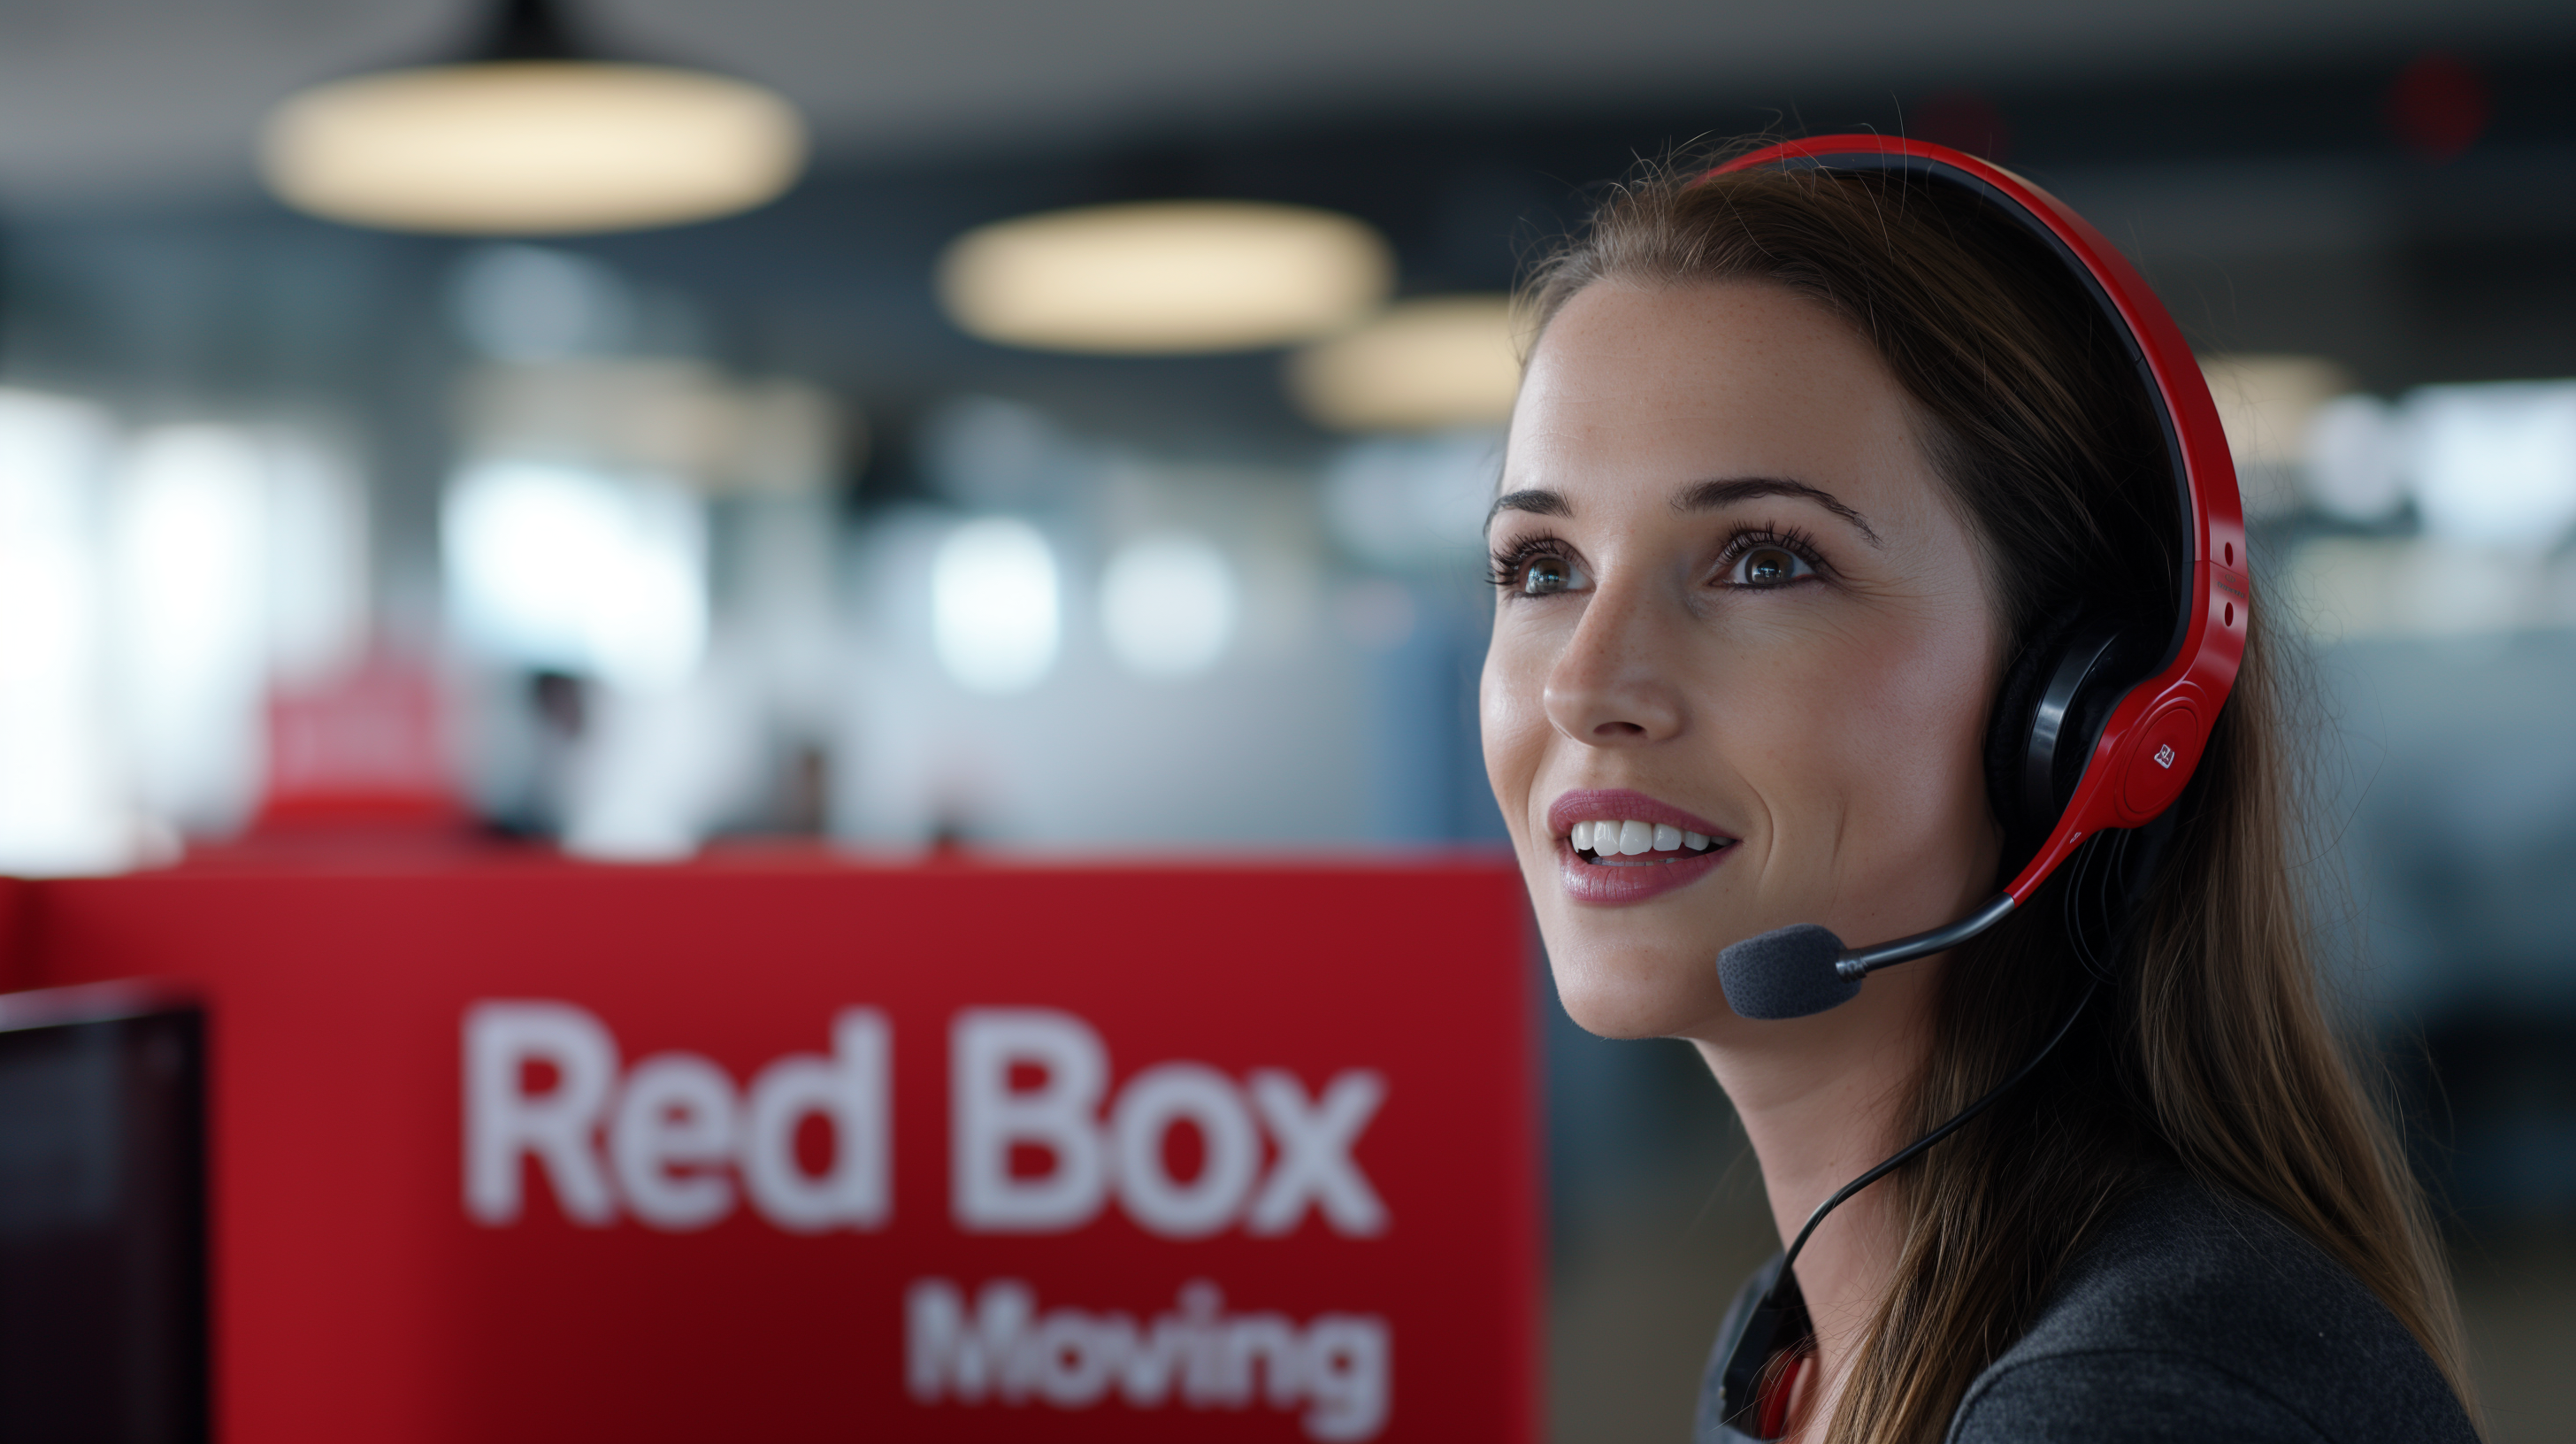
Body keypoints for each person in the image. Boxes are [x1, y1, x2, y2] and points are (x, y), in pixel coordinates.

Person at [1480, 141, 2482, 1443]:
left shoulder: (2133, 1397)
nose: (1587, 685)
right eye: (1542, 566)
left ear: (2084, 712)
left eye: (1766, 561)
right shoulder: (1799, 1358)